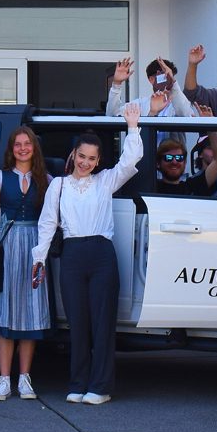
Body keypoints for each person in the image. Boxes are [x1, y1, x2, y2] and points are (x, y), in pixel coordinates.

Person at [32, 102, 144, 405]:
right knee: (77, 323)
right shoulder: (58, 186)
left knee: (102, 322)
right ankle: (78, 383)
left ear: (98, 161)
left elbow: (132, 159)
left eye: (91, 158)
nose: (85, 162)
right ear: (73, 155)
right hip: (72, 255)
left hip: (101, 255)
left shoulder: (105, 181)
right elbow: (47, 224)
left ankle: (101, 387)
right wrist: (38, 259)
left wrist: (132, 127)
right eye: (81, 156)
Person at [0, 125, 49, 401]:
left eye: (27, 144)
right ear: (11, 149)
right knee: (6, 310)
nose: (22, 148)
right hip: (8, 244)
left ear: (34, 147)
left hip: (34, 247)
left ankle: (25, 379)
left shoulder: (46, 179)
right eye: (17, 144)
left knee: (30, 312)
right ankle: (4, 379)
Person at [106, 54, 196, 117]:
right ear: (151, 79)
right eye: (163, 75)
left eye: (169, 75)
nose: (167, 78)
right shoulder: (141, 104)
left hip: (173, 145)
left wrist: (173, 84)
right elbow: (112, 115)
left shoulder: (177, 102)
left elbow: (188, 115)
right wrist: (116, 84)